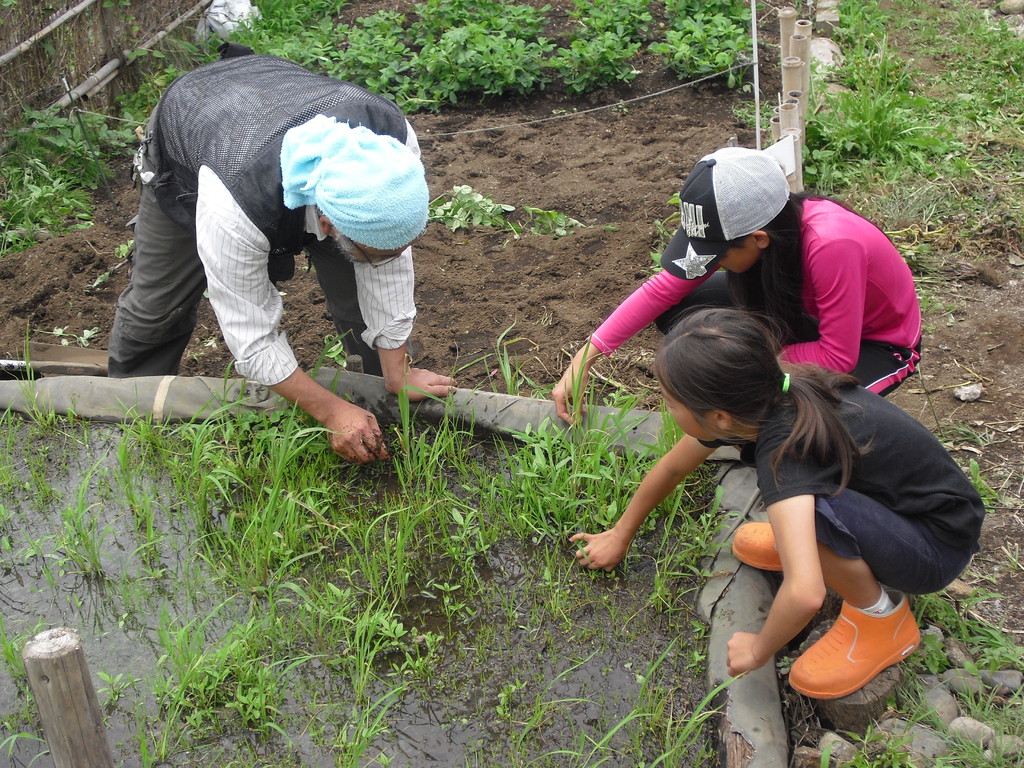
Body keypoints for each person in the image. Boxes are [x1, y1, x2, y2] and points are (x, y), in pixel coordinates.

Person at [570, 308, 984, 699]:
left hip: (935, 548)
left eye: (671, 403)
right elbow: (672, 468)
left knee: (817, 512)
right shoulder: (762, 393)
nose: (667, 408)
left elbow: (805, 595)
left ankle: (882, 619)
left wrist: (758, 648)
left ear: (717, 417)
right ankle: (806, 545)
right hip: (904, 512)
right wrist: (620, 532)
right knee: (802, 508)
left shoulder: (786, 451)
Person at [108, 51, 455, 464]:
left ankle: (381, 397)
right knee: (156, 308)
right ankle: (123, 413)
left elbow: (390, 269)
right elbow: (251, 337)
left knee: (361, 300)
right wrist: (329, 410)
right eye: (377, 253)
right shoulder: (234, 204)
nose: (389, 260)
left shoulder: (390, 155)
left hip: (277, 103)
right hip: (199, 141)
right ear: (328, 224)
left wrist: (398, 375)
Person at [552, 146, 922, 423]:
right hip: (804, 312)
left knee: (800, 416)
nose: (712, 264)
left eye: (719, 255)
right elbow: (663, 289)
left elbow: (838, 357)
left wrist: (745, 363)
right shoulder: (774, 236)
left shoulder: (832, 245)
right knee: (685, 309)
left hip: (873, 344)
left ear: (759, 239)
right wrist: (585, 359)